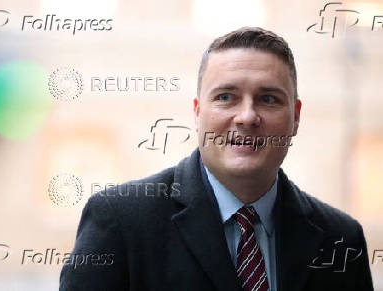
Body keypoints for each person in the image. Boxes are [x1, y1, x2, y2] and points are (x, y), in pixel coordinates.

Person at [59, 27, 374, 291]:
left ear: (295, 117)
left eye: (268, 99)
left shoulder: (342, 238)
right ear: (198, 112)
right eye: (226, 97)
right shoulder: (120, 223)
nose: (247, 116)